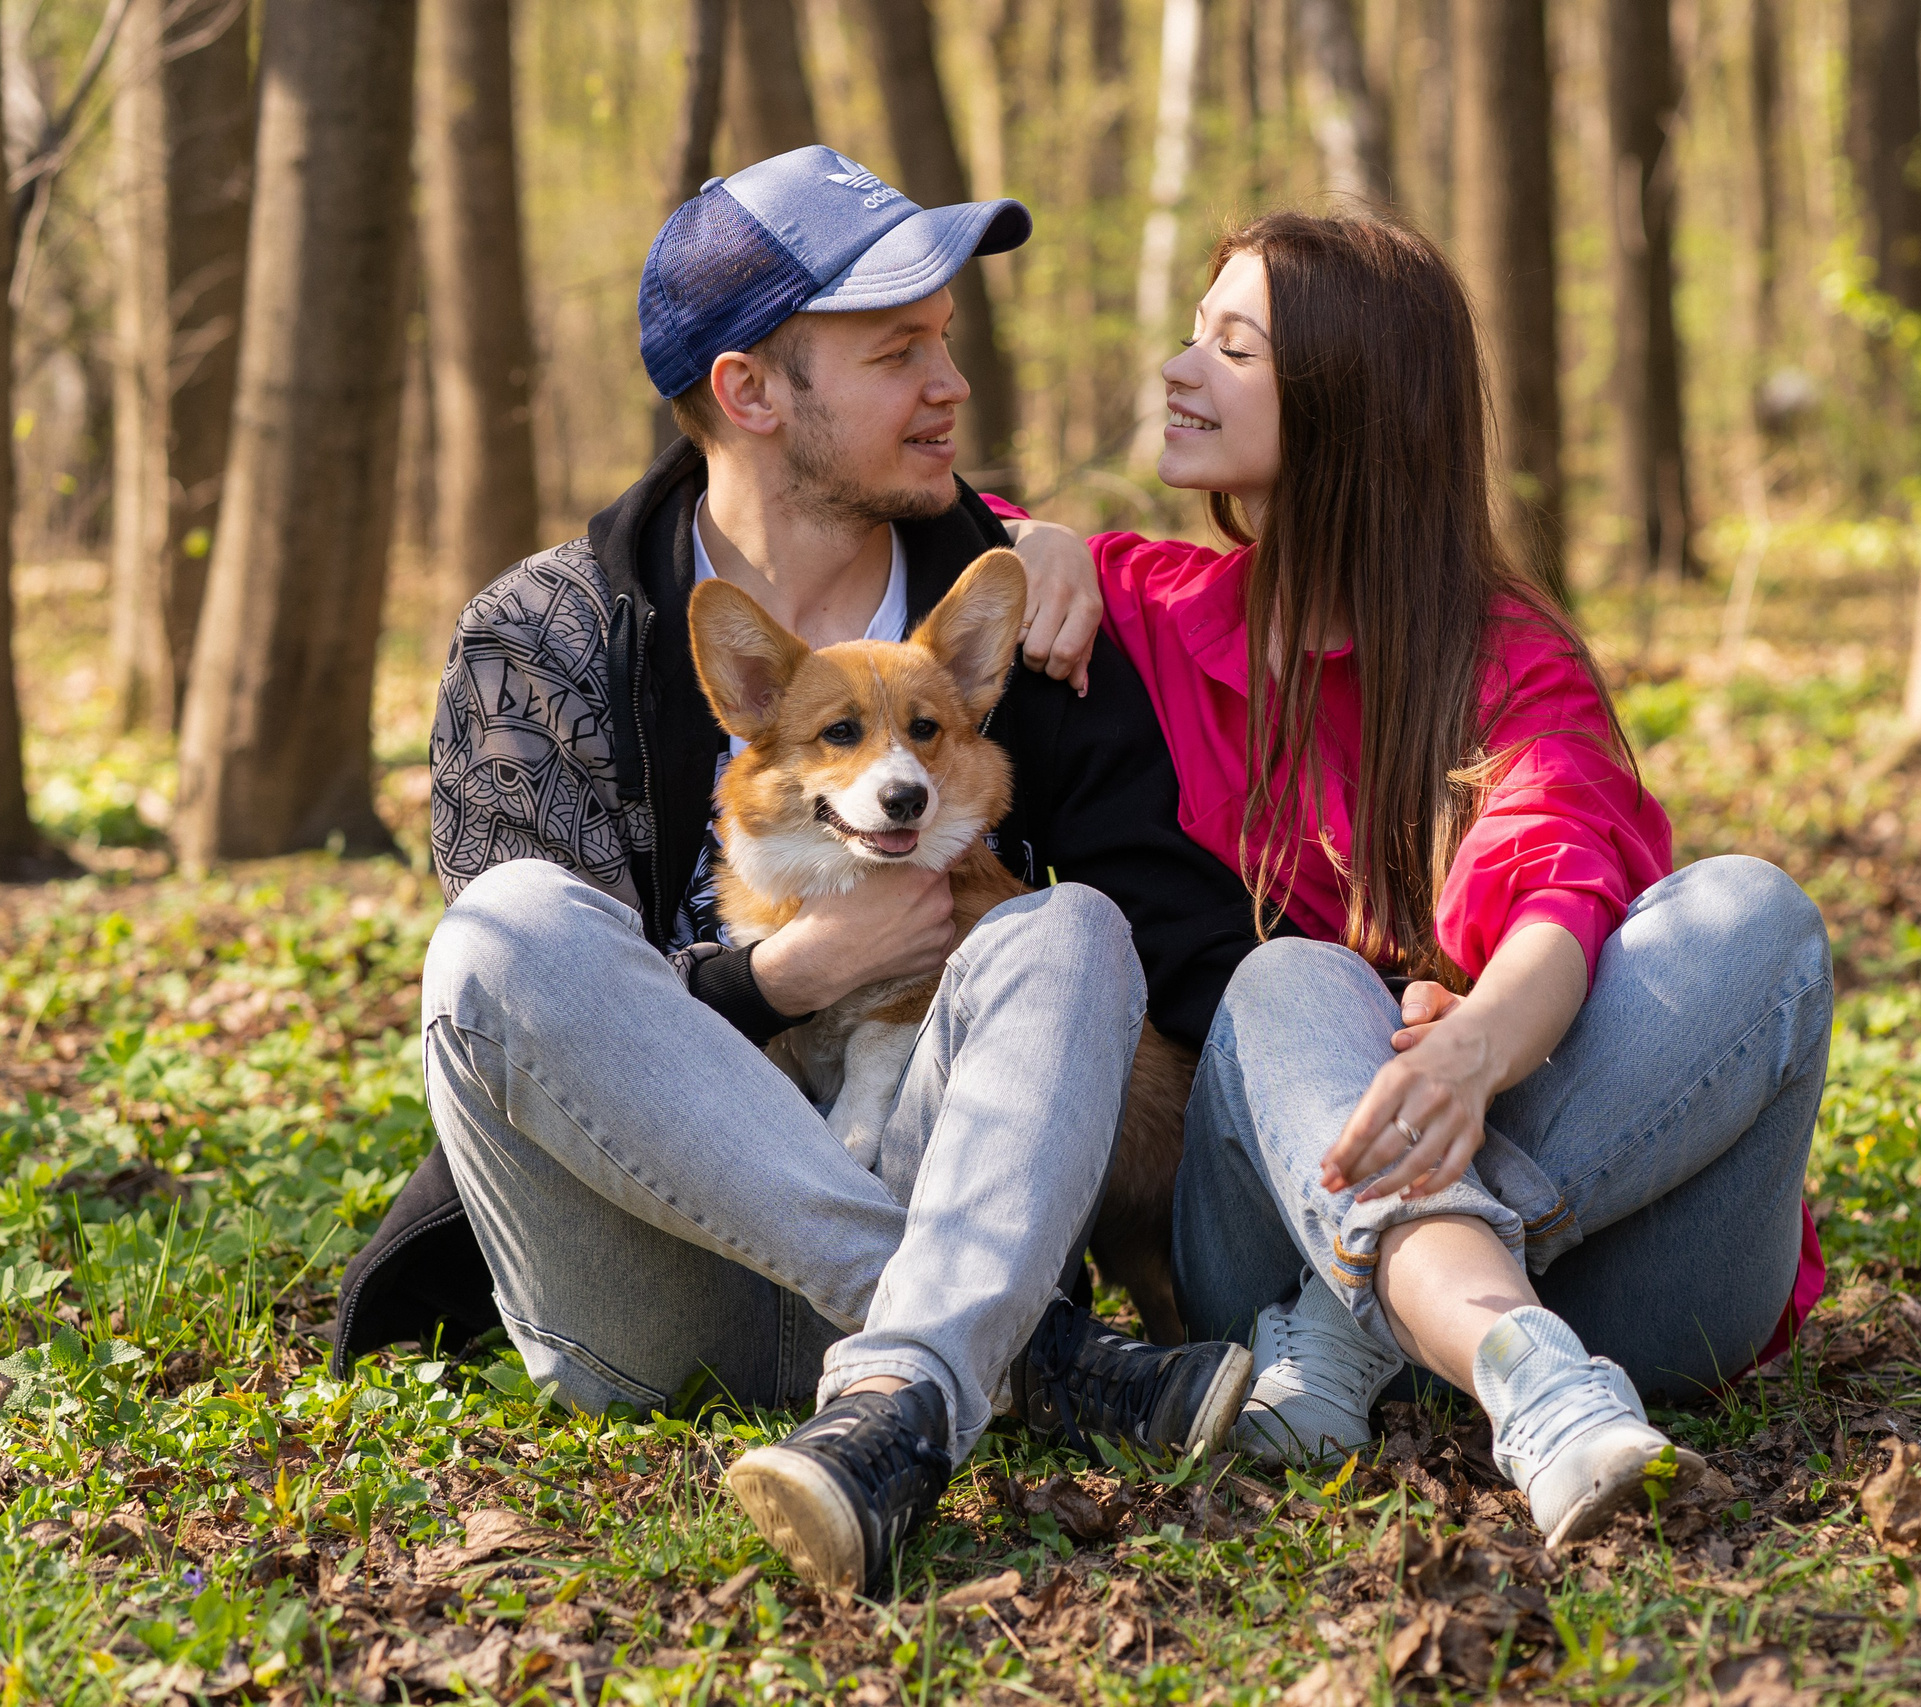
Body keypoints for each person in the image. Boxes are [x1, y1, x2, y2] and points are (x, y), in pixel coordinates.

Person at [326, 146, 1259, 1596]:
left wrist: (1374, 1078)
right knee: (502, 930)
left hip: (940, 1203)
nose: (951, 384)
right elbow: (544, 1015)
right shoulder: (542, 639)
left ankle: (920, 1371)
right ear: (751, 390)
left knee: (1070, 929)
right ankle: (1026, 1354)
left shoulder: (1019, 617)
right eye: (899, 353)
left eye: (944, 341)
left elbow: (1180, 940)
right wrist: (791, 974)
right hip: (651, 1290)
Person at [1020, 212, 1831, 1545]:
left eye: (1233, 348)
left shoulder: (1508, 660)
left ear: (1349, 403)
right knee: (1292, 977)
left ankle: (1376, 1325)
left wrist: (1477, 1053)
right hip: (1274, 1240)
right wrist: (1039, 541)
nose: (1178, 368)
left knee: (1760, 919)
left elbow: (1559, 887)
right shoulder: (1156, 604)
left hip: (1618, 1290)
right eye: (1194, 335)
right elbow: (938, 530)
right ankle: (1527, 1378)